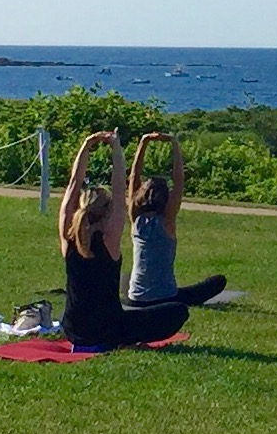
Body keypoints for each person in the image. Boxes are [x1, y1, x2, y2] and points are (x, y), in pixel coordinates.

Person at [59, 131, 189, 348]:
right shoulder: (109, 237)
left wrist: (87, 145)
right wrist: (116, 147)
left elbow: (74, 183)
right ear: (107, 211)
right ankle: (124, 341)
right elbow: (120, 187)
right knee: (178, 311)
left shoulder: (68, 237)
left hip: (73, 329)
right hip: (107, 329)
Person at [125, 132, 226, 307]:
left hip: (135, 298)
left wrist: (144, 142)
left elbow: (134, 177)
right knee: (218, 281)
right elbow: (179, 181)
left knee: (127, 278)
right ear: (165, 198)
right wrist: (174, 143)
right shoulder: (167, 222)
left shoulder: (136, 219)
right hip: (166, 298)